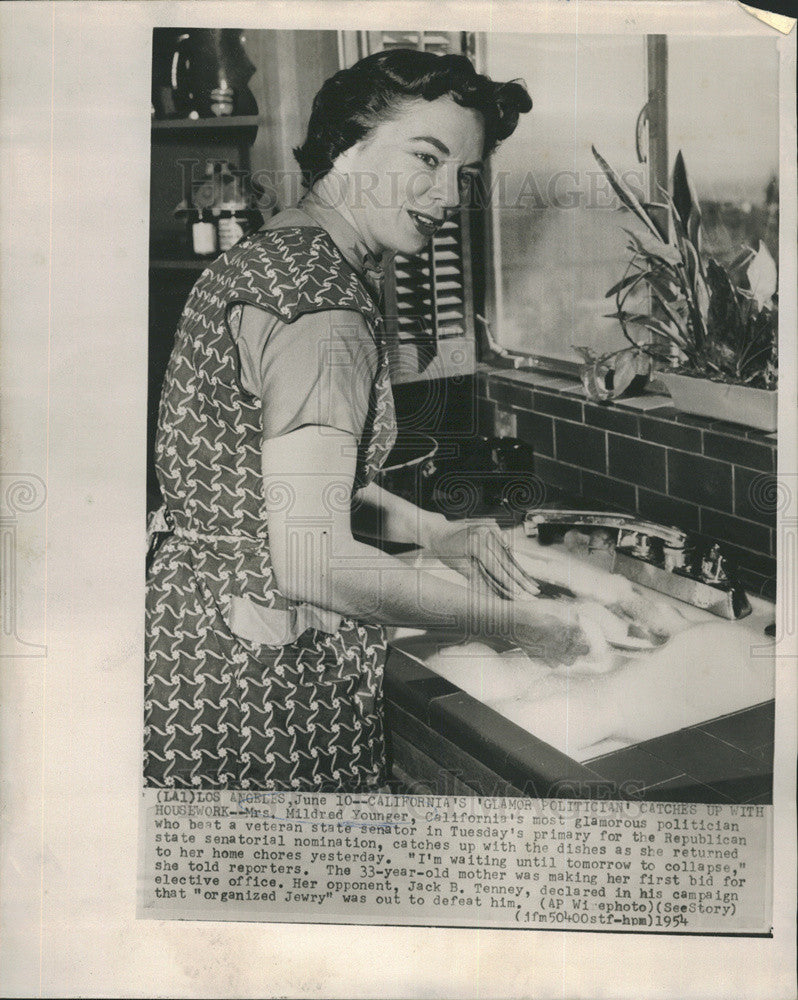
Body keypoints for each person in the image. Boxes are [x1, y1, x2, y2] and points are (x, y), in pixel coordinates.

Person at [144, 47, 590, 793]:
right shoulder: (326, 311)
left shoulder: (271, 255)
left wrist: (437, 533)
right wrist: (516, 623)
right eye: (426, 156)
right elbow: (315, 561)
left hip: (197, 645)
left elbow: (283, 485)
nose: (447, 194)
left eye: (464, 174)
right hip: (264, 686)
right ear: (349, 143)